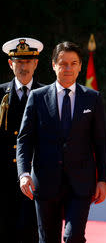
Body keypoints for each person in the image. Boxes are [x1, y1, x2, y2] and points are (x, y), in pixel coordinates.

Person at [17, 41, 106, 243]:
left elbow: (101, 142)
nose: (68, 68)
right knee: (48, 238)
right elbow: (24, 139)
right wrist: (24, 173)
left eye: (73, 63)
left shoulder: (92, 98)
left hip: (81, 184)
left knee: (74, 236)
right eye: (63, 63)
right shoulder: (37, 97)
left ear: (79, 66)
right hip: (45, 182)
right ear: (53, 65)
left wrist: (103, 179)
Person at [0, 38, 44, 242]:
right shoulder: (0, 94)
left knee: (32, 234)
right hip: (4, 181)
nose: (23, 67)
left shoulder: (47, 95)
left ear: (36, 63)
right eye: (19, 62)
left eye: (28, 62)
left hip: (36, 180)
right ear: (11, 64)